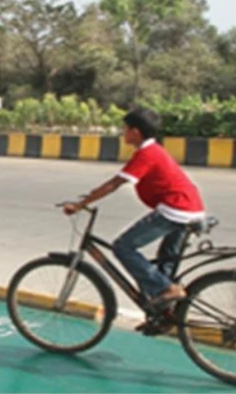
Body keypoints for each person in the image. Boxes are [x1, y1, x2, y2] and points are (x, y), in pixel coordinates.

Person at [61, 107, 206, 308]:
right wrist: (90, 196)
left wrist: (80, 205)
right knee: (165, 265)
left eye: (125, 129)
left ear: (135, 132)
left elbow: (114, 183)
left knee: (123, 247)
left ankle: (169, 290)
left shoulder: (147, 154)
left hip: (176, 210)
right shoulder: (154, 150)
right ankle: (165, 311)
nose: (123, 133)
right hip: (190, 208)